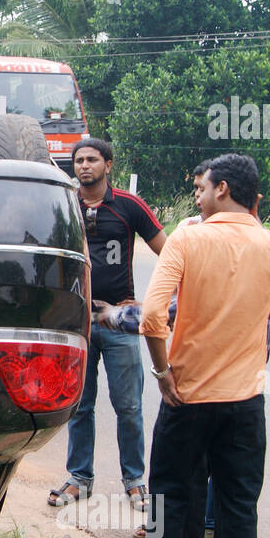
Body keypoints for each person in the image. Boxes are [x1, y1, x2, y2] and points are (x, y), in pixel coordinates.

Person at [98, 160, 270, 538]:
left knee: (169, 497)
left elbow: (156, 317)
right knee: (238, 507)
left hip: (187, 395)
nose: (198, 195)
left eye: (202, 187)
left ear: (221, 188)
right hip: (246, 400)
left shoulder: (188, 238)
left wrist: (162, 373)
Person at [49, 137, 165, 511]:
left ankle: (134, 482)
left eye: (92, 159)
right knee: (79, 404)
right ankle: (79, 478)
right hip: (76, 322)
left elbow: (172, 254)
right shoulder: (64, 205)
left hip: (119, 323)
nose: (84, 166)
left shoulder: (129, 207)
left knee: (128, 406)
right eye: (78, 160)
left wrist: (146, 303)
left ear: (108, 165)